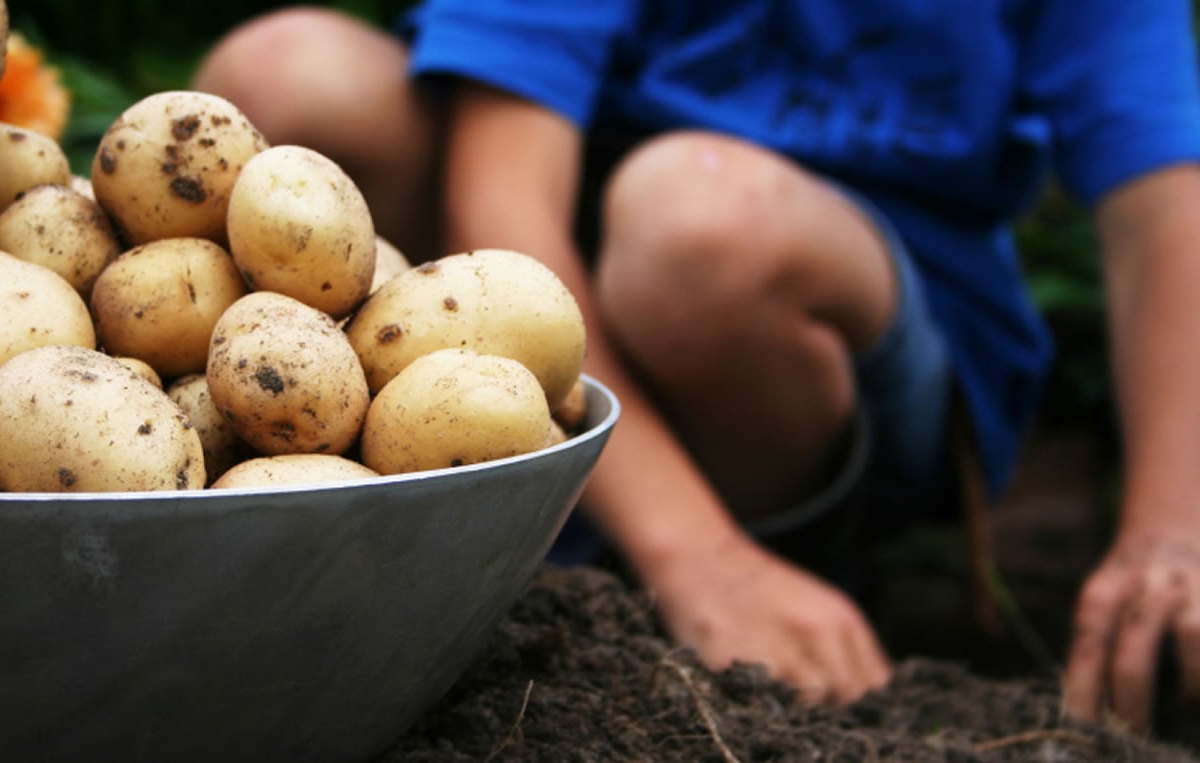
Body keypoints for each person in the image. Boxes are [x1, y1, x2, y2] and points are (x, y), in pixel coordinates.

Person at [193, 0, 1200, 732]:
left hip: (855, 322)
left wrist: (1173, 522)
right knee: (281, 75)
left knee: (701, 223)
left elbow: (1164, 205)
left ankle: (781, 565)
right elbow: (505, 205)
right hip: (581, 292)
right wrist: (691, 549)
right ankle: (611, 538)